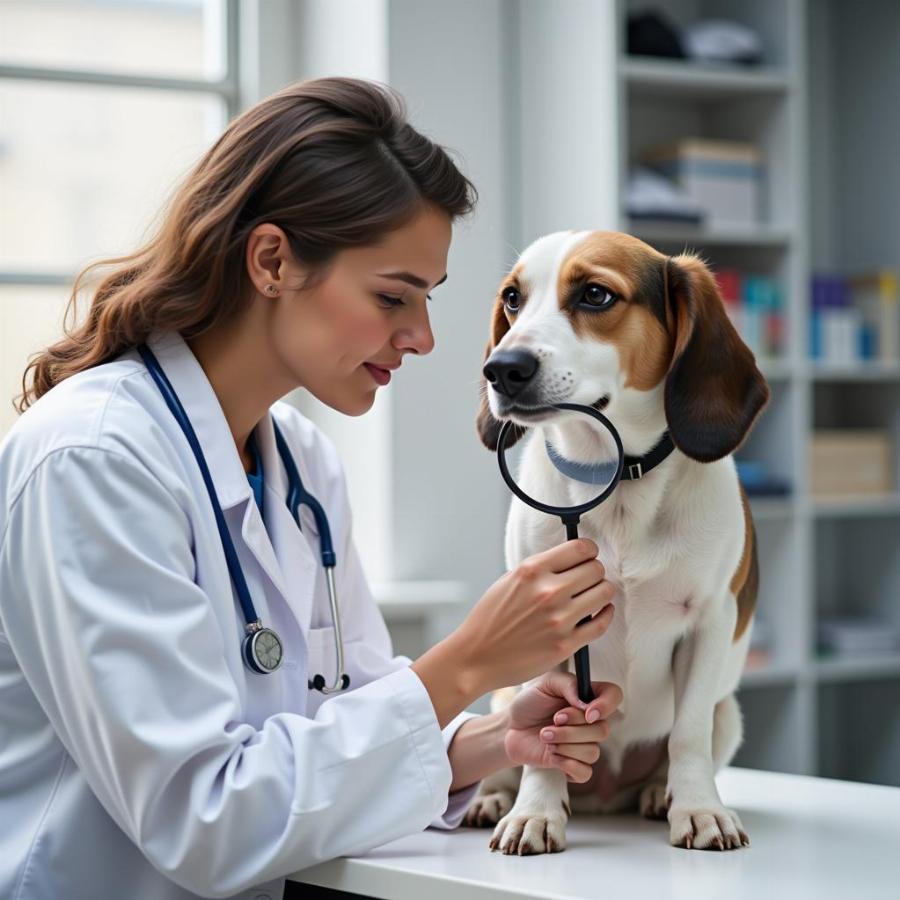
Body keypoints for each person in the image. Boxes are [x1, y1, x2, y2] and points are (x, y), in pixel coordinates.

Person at [0, 77, 618, 900]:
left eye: (427, 301)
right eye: (392, 296)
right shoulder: (92, 458)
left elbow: (347, 718)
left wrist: (498, 736)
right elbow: (204, 819)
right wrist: (468, 663)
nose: (425, 338)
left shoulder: (301, 463)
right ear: (272, 260)